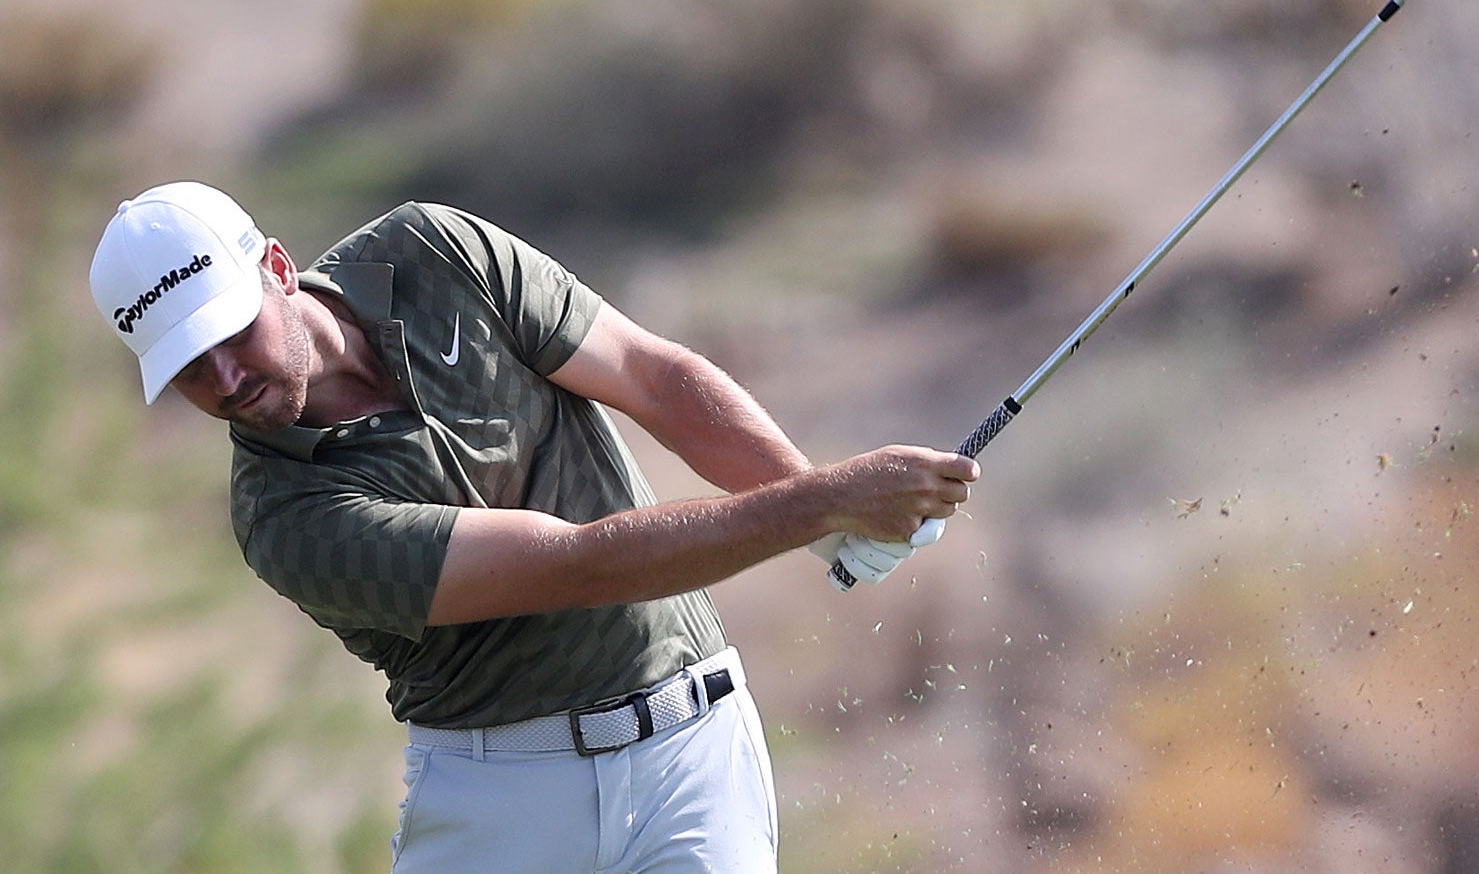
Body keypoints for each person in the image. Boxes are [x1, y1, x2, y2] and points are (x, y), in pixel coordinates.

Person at [87, 181, 980, 872]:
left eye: (229, 333)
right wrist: (820, 502)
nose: (224, 380)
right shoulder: (284, 517)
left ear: (275, 269)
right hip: (504, 802)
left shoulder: (433, 253)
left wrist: (826, 510)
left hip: (695, 758)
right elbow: (580, 566)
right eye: (187, 369)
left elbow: (650, 376)